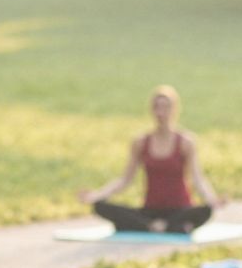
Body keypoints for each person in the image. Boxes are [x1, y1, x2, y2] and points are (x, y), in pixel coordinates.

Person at [79, 85, 224, 235]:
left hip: (180, 210)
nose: (161, 113)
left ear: (175, 109)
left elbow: (197, 178)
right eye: (157, 107)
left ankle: (154, 226)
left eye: (165, 108)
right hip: (150, 211)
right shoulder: (140, 142)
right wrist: (96, 195)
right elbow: (124, 180)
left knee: (205, 211)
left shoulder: (186, 142)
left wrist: (212, 199)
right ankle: (165, 227)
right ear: (151, 110)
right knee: (100, 206)